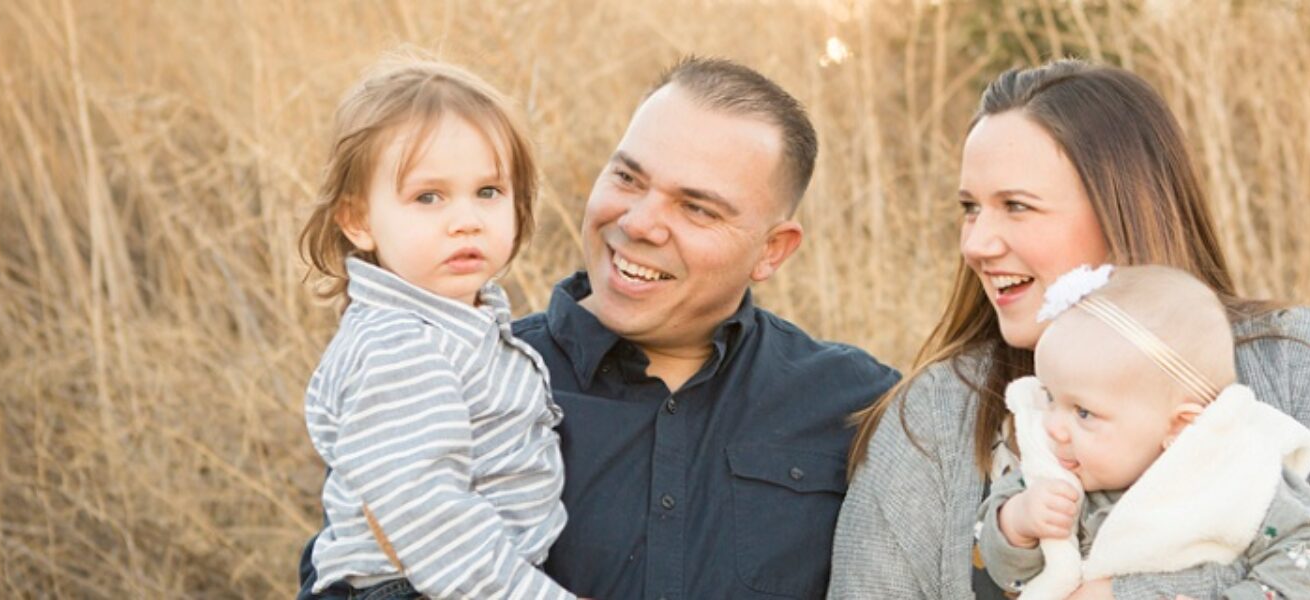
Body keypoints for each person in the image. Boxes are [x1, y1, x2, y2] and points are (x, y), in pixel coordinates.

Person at [830, 59, 1310, 599]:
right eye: (970, 208)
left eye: (1016, 206)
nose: (976, 242)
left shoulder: (1308, 363)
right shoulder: (940, 412)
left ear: (1124, 208)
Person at [298, 56, 900, 599]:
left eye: (695, 207)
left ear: (773, 250)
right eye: (628, 179)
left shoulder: (860, 406)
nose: (639, 223)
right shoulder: (453, 377)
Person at [296, 57, 576, 599]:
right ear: (358, 221)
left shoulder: (455, 323)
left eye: (489, 192)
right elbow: (430, 519)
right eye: (429, 197)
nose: (466, 219)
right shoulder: (400, 346)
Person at [976, 264, 1310, 599]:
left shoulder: (1236, 476)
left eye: (1084, 413)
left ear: (1180, 426)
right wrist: (1017, 523)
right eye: (1051, 397)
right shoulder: (1051, 474)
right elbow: (1008, 575)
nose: (1054, 426)